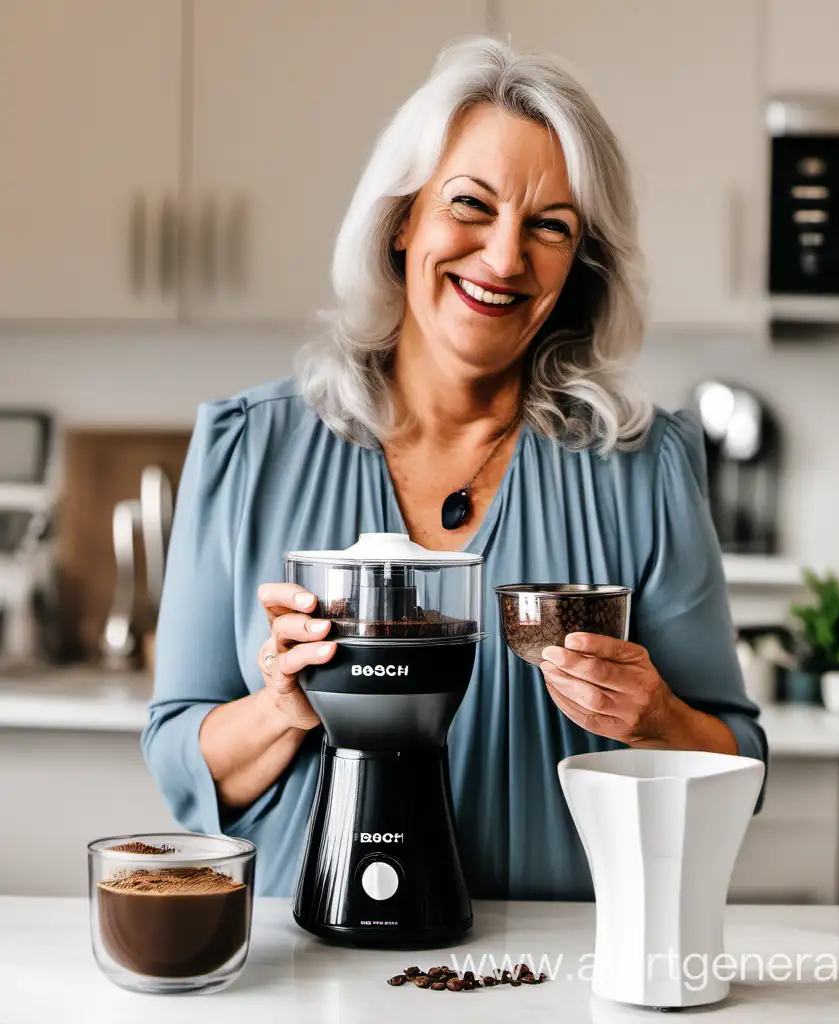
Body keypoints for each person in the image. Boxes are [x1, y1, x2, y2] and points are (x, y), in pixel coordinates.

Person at [142, 35, 768, 900]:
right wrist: (285, 704)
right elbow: (182, 763)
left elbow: (742, 764)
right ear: (403, 220)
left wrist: (657, 720)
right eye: (469, 205)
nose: (505, 258)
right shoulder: (249, 448)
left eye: (549, 227)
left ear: (577, 266)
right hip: (309, 967)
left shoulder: (641, 467)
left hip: (555, 972)